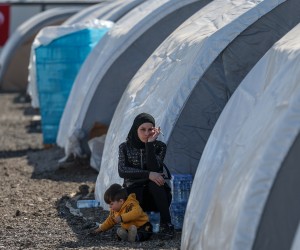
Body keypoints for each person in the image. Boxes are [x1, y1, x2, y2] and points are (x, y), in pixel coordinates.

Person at [118, 113, 174, 239]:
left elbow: (155, 168)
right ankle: (141, 232)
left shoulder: (159, 147)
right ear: (135, 129)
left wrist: (149, 145)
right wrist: (148, 175)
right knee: (146, 184)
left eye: (150, 129)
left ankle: (167, 224)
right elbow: (122, 170)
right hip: (134, 194)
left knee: (157, 183)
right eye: (142, 129)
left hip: (155, 197)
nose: (147, 133)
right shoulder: (125, 147)